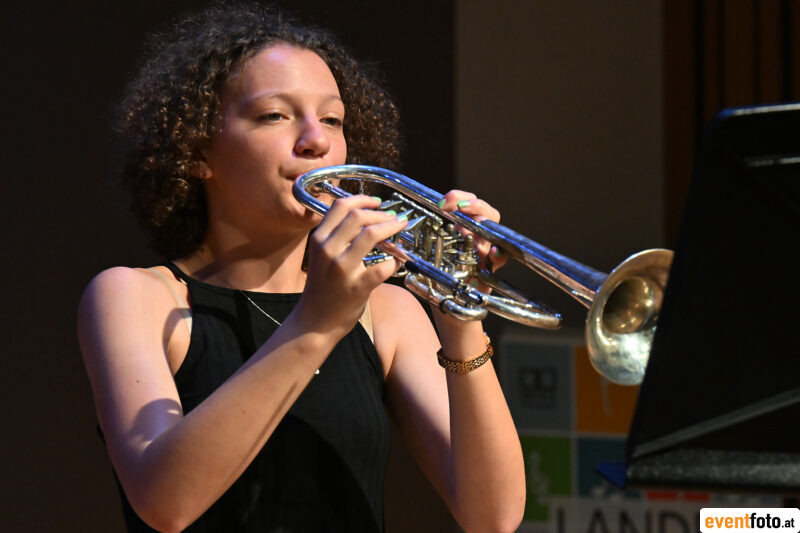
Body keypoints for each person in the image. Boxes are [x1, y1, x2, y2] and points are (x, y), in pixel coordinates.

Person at [78, 3, 525, 532]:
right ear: (197, 151)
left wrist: (461, 319)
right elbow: (164, 501)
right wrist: (318, 322)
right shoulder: (137, 298)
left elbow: (493, 518)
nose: (317, 140)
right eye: (275, 116)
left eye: (332, 119)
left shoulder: (387, 311)